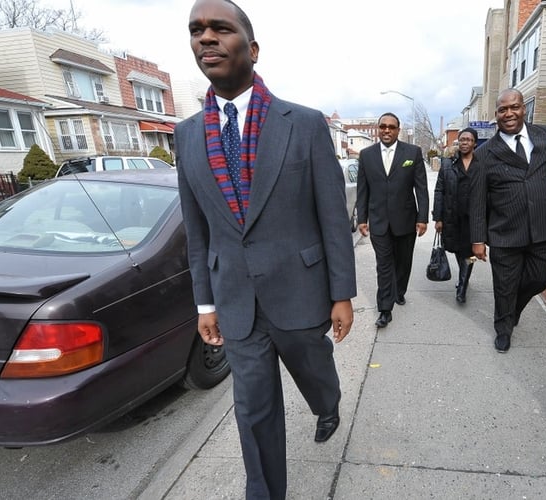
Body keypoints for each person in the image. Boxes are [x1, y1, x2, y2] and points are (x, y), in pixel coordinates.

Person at [175, 1, 356, 498]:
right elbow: (198, 229)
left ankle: (327, 401)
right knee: (253, 410)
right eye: (196, 31)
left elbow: (332, 216)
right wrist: (205, 303)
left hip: (300, 289)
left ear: (251, 49)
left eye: (220, 29)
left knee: (314, 369)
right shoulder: (186, 136)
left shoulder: (304, 122)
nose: (205, 38)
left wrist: (342, 293)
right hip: (235, 301)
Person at [470, 88, 546, 353]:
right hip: (505, 231)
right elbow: (477, 201)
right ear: (496, 115)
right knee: (504, 285)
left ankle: (512, 310)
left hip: (542, 226)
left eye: (514, 107)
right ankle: (503, 328)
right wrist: (477, 240)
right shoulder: (485, 154)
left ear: (524, 108)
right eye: (503, 110)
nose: (509, 114)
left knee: (541, 278)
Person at [356, 112, 429, 328]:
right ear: (378, 129)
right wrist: (362, 218)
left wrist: (423, 218)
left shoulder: (412, 153)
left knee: (403, 262)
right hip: (379, 221)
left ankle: (400, 290)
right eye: (383, 126)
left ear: (398, 130)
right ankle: (385, 309)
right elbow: (362, 190)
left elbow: (421, 189)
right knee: (384, 265)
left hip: (406, 220)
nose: (386, 130)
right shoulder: (366, 155)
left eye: (391, 127)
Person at [433, 127, 479, 303]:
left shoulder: (481, 164)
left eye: (468, 139)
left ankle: (462, 286)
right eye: (462, 139)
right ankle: (464, 275)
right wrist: (438, 217)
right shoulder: (447, 164)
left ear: (474, 143)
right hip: (452, 217)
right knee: (458, 252)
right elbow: (439, 190)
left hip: (473, 220)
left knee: (470, 253)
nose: (465, 142)